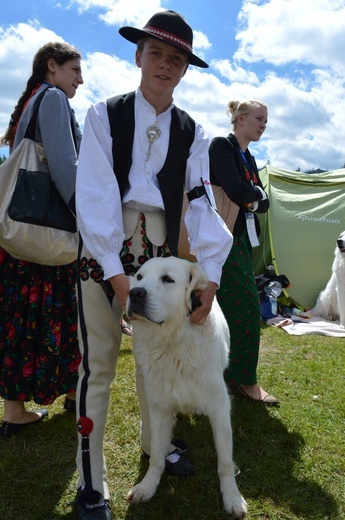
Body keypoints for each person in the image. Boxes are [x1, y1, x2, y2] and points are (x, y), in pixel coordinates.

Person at [73, 10, 232, 520]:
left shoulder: (194, 131)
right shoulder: (104, 113)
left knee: (153, 367)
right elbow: (94, 194)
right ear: (138, 55)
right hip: (103, 252)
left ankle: (156, 449)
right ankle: (91, 483)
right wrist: (114, 273)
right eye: (156, 53)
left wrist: (210, 278)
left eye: (177, 58)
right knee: (98, 367)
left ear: (186, 69)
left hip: (157, 257)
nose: (165, 64)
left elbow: (203, 203)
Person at [0, 42, 83, 437]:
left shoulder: (31, 100)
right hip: (48, 230)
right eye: (74, 70)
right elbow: (65, 167)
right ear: (53, 67)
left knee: (22, 317)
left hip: (21, 231)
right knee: (59, 311)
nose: (80, 80)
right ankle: (69, 390)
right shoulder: (52, 98)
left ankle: (19, 406)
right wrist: (86, 216)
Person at [209, 99, 279, 405]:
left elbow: (264, 202)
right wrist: (251, 196)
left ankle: (226, 376)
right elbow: (238, 191)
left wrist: (250, 197)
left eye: (266, 120)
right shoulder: (221, 147)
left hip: (238, 239)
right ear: (239, 119)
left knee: (227, 308)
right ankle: (245, 381)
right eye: (259, 118)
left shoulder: (248, 156)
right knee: (247, 307)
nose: (263, 124)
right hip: (219, 237)